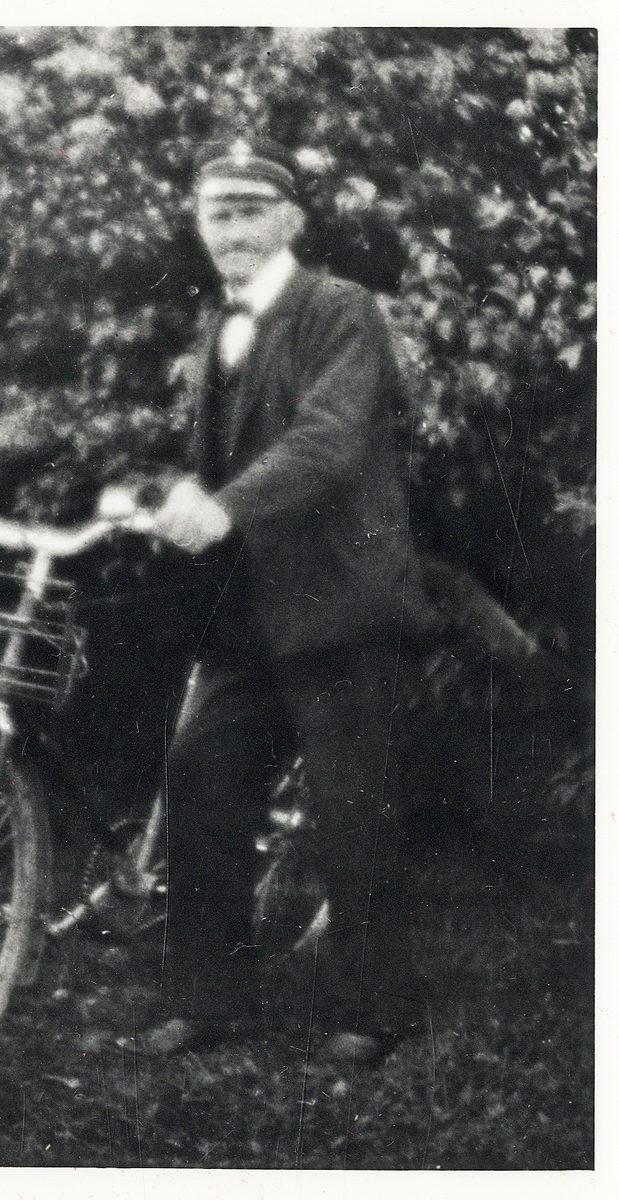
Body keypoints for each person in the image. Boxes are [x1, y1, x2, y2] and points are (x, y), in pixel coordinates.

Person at [137, 136, 435, 1062]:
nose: (230, 229)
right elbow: (219, 454)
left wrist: (222, 509)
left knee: (353, 807)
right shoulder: (218, 325)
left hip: (342, 602)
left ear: (292, 220)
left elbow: (328, 441)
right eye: (215, 212)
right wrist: (172, 496)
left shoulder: (339, 309)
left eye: (249, 210)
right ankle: (210, 999)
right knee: (201, 776)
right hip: (250, 611)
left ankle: (373, 1012)